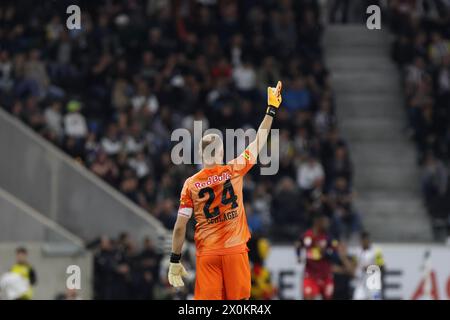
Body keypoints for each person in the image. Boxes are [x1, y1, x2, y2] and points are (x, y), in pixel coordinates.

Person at [167, 81, 283, 300]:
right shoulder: (235, 169)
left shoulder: (190, 184)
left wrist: (175, 259)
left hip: (208, 253)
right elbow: (258, 141)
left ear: (201, 155)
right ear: (220, 152)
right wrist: (271, 110)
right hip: (235, 251)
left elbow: (180, 227)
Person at [295, 213, 338, 300]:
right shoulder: (307, 236)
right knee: (308, 297)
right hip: (310, 275)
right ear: (317, 222)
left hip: (325, 276)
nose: (327, 224)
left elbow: (335, 255)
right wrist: (299, 255)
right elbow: (298, 245)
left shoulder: (329, 237)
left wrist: (325, 252)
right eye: (325, 222)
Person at [352, 231, 385, 300]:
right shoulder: (357, 251)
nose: (365, 242)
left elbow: (382, 266)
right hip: (361, 282)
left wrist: (370, 267)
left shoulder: (376, 251)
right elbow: (354, 265)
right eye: (363, 240)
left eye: (367, 240)